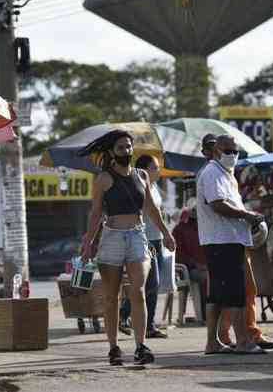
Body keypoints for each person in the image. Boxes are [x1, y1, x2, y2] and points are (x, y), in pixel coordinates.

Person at [79, 130, 176, 366]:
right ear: (112, 152)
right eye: (121, 147)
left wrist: (166, 233)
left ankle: (140, 346)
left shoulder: (142, 175)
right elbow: (95, 214)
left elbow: (152, 210)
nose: (127, 151)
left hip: (137, 237)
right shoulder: (103, 179)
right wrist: (88, 243)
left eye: (129, 147)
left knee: (138, 291)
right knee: (112, 297)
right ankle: (114, 348)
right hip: (111, 238)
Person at [196, 134, 266, 355]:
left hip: (228, 240)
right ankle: (243, 341)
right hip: (222, 241)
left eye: (235, 151)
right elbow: (218, 205)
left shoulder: (226, 174)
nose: (233, 155)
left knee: (217, 295)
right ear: (216, 151)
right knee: (235, 294)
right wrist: (247, 216)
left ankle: (213, 342)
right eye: (228, 151)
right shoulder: (211, 172)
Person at [118, 155, 168, 339]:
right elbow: (146, 212)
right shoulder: (139, 186)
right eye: (155, 167)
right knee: (150, 282)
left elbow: (156, 211)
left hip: (157, 238)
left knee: (151, 283)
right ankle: (135, 319)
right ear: (144, 170)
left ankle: (130, 317)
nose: (158, 170)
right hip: (145, 239)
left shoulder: (154, 187)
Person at [173, 202, 208, 320]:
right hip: (188, 270)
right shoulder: (179, 230)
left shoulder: (205, 228)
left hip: (205, 266)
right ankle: (205, 315)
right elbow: (178, 255)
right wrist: (196, 264)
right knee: (206, 278)